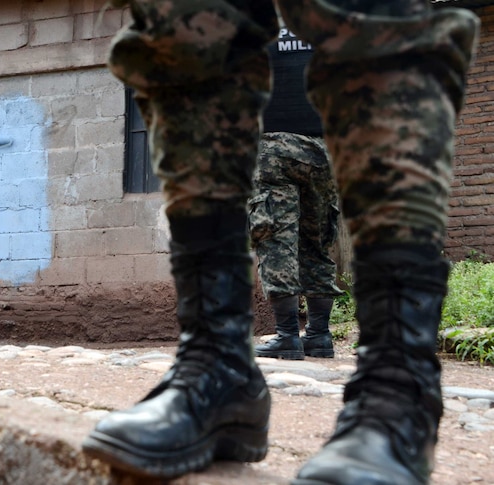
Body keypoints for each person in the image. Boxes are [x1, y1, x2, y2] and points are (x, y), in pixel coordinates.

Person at [81, 1, 478, 484]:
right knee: (189, 28)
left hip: (308, 143)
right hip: (298, 147)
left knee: (373, 22)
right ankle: (216, 367)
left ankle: (397, 391)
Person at [249, 22, 343, 360]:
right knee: (317, 242)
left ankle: (288, 336)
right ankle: (319, 336)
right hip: (324, 147)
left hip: (273, 145)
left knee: (276, 240)